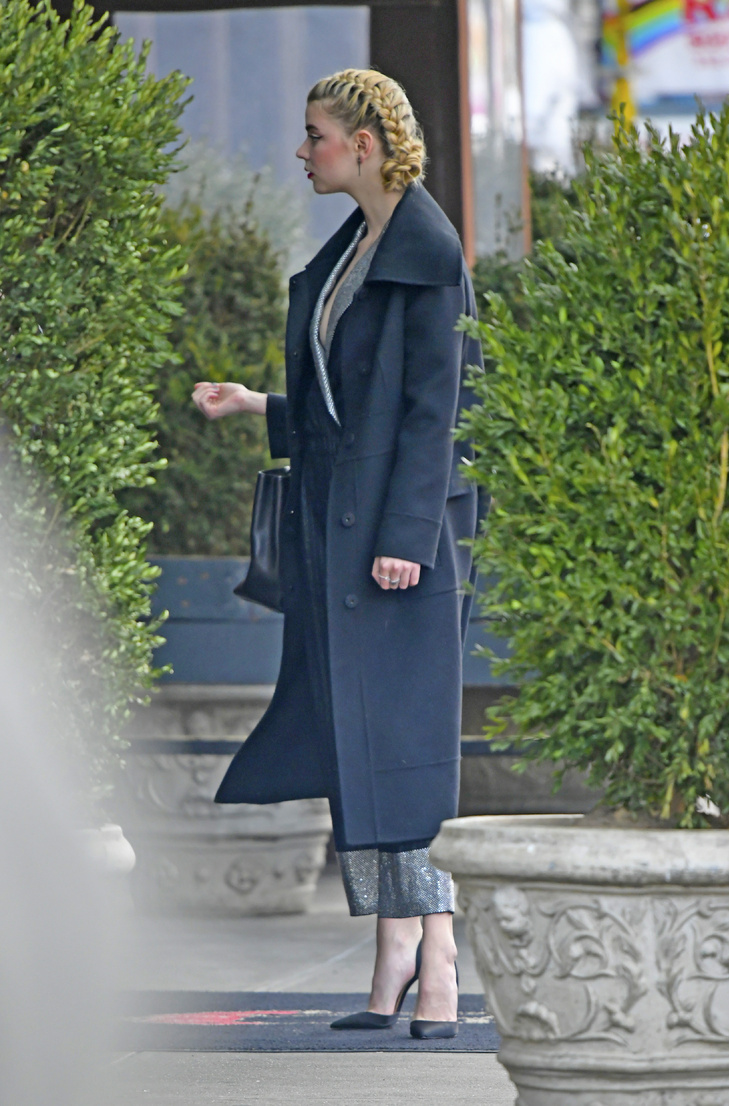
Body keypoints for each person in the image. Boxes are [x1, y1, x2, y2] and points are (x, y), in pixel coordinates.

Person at [192, 68, 485, 1039]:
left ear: (363, 144)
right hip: (342, 536)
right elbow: (348, 405)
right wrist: (258, 405)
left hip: (395, 547)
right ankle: (392, 948)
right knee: (359, 748)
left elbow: (435, 413)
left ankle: (435, 956)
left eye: (313, 134)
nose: (300, 150)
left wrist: (406, 539)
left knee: (404, 753)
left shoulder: (427, 254)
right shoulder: (356, 248)